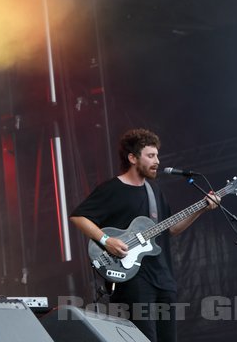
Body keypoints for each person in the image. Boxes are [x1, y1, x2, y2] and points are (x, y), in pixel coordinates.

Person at [69, 128, 219, 342]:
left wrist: (202, 208)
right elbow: (78, 217)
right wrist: (106, 240)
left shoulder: (154, 191)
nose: (157, 160)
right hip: (133, 281)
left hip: (163, 280)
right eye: (150, 155)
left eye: (157, 155)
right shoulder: (112, 189)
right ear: (132, 158)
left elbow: (171, 230)